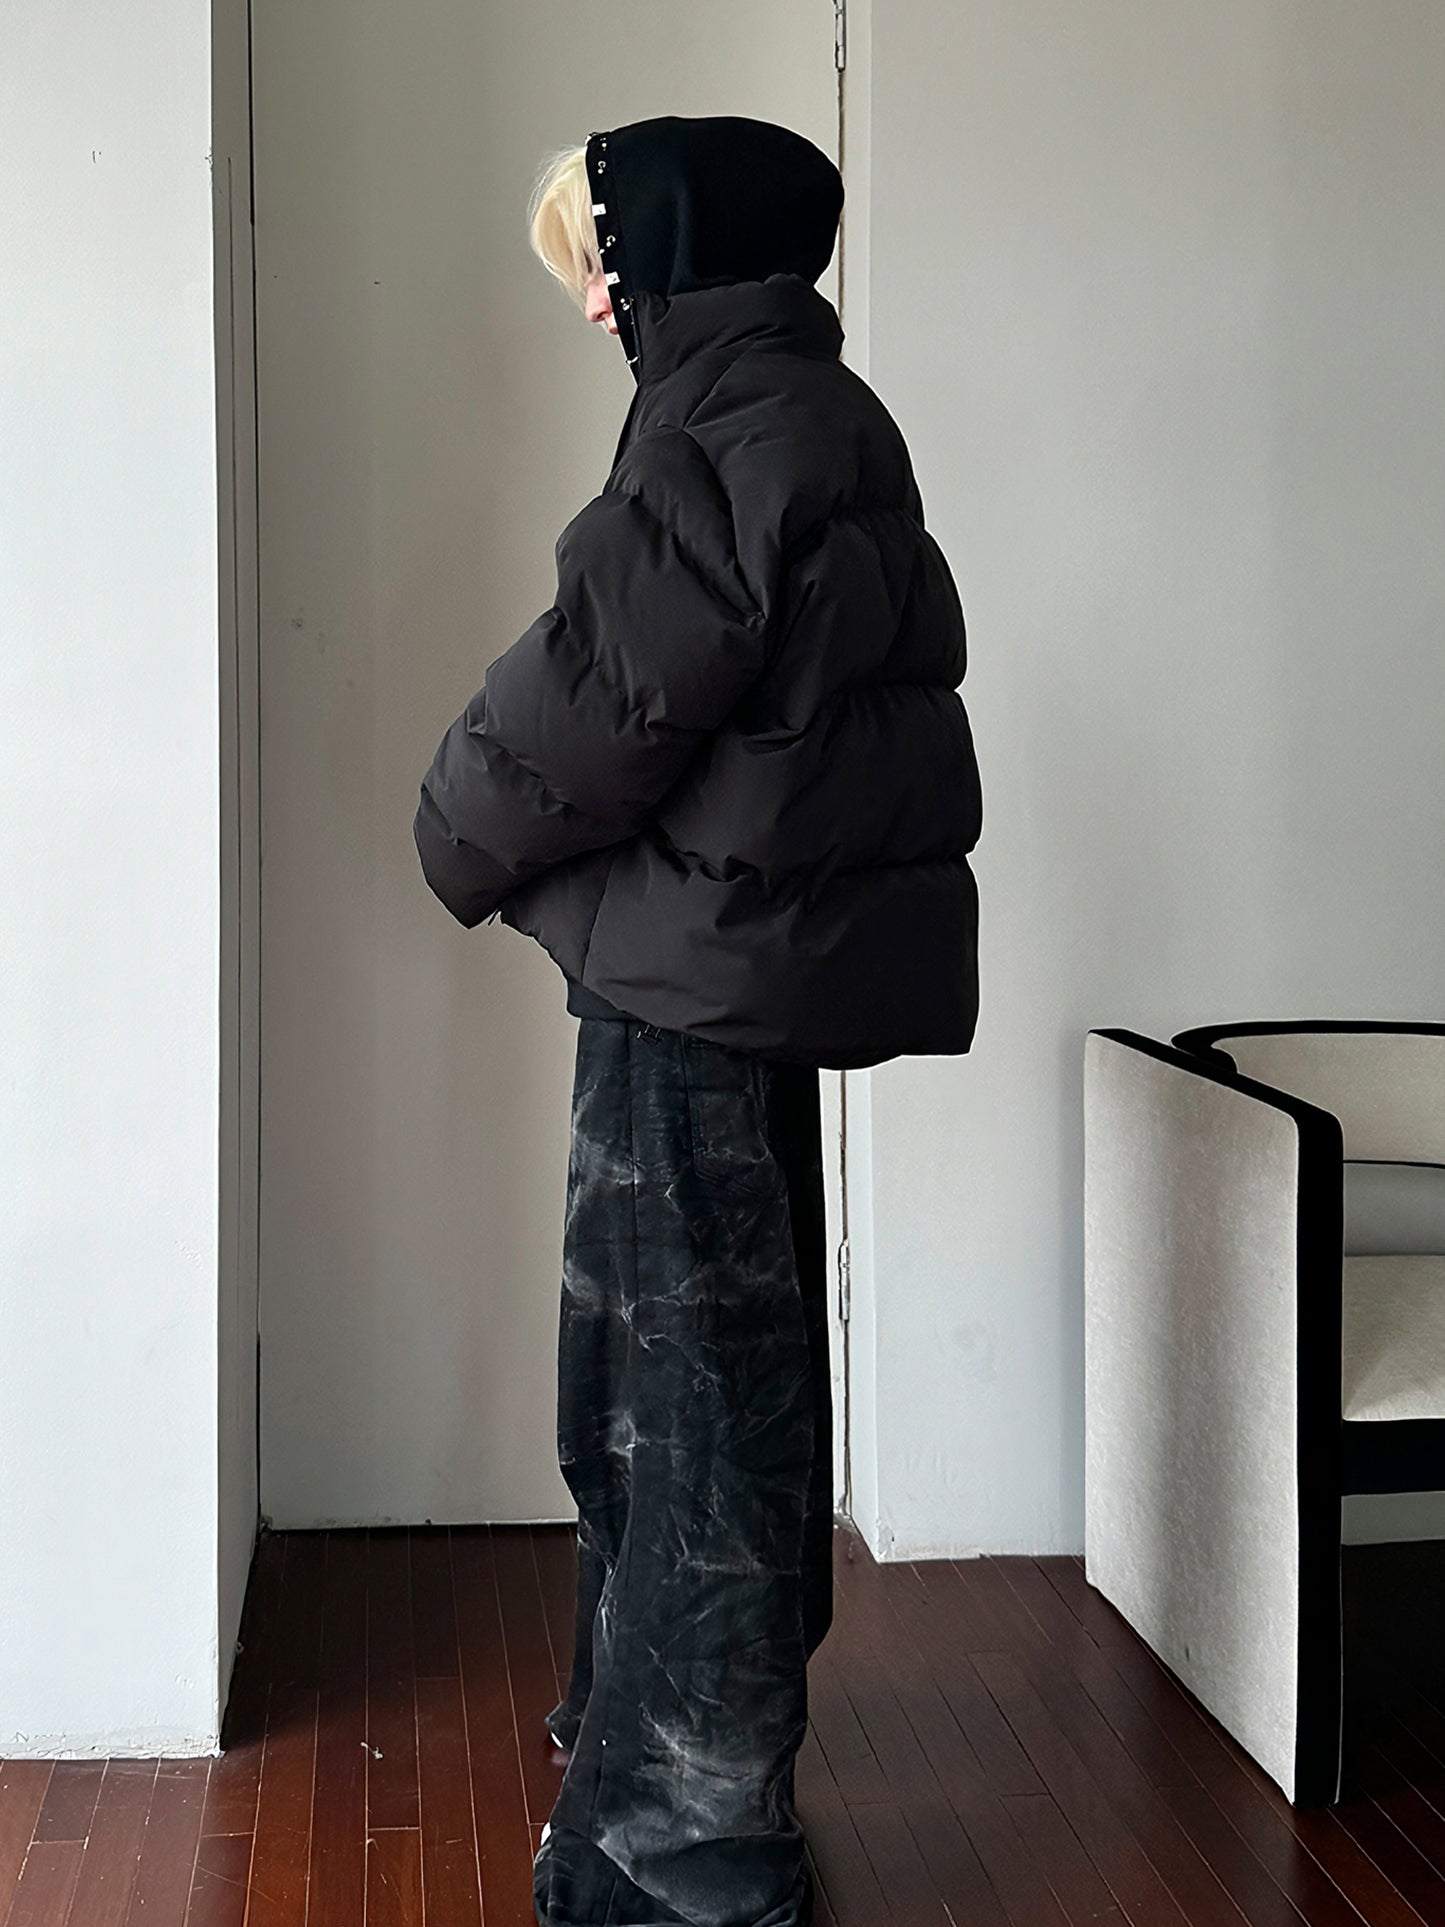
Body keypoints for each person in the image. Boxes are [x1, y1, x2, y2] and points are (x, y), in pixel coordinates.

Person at [413, 114, 982, 1927]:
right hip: (725, 973)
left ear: (668, 250)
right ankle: (653, 1753)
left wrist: (445, 830)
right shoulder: (801, 407)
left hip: (690, 987)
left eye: (597, 264)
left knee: (686, 1405)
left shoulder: (729, 430)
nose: (591, 305)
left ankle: (687, 1854)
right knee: (694, 1385)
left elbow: (594, 690)